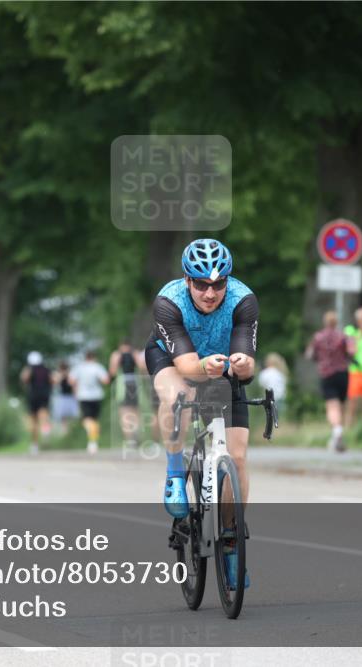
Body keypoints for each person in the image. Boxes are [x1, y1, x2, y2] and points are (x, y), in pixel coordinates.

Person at [145, 238, 258, 590]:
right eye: (201, 284)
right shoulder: (169, 302)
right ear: (186, 280)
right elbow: (188, 367)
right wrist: (205, 368)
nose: (210, 293)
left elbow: (247, 364)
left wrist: (243, 365)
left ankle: (231, 541)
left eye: (218, 284)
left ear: (228, 280)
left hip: (220, 365)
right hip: (175, 360)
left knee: (238, 457)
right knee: (179, 394)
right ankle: (175, 474)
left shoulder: (243, 300)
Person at [306, 311, 355, 452]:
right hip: (343, 373)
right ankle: (337, 436)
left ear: (325, 322)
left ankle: (337, 431)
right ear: (336, 322)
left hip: (327, 374)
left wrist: (321, 358)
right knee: (341, 406)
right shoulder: (343, 336)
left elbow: (310, 354)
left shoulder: (318, 337)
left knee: (332, 407)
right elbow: (352, 352)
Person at [70, 351, 110, 454]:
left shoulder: (79, 368)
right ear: (94, 357)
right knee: (94, 419)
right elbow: (106, 380)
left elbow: (71, 381)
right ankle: (93, 441)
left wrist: (77, 387)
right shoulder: (98, 367)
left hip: (83, 396)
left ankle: (92, 441)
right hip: (97, 395)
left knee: (87, 420)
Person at [109, 340, 144, 451]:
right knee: (135, 411)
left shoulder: (117, 355)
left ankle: (130, 439)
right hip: (135, 382)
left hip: (122, 384)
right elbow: (142, 368)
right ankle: (136, 431)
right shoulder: (135, 353)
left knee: (124, 413)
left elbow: (112, 372)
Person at [20, 351, 52, 455]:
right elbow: (53, 380)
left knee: (33, 421)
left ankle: (34, 444)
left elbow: (24, 379)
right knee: (44, 414)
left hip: (33, 395)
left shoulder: (29, 369)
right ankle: (45, 429)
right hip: (44, 395)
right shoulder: (46, 369)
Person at [51, 361, 79, 435]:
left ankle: (72, 429)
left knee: (72, 415)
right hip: (62, 396)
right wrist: (61, 376)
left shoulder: (71, 374)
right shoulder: (57, 374)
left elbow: (74, 384)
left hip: (70, 396)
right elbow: (54, 382)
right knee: (63, 415)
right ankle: (65, 430)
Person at [258, 353, 288, 420]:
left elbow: (261, 386)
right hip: (281, 397)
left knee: (269, 418)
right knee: (281, 417)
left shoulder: (264, 373)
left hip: (269, 398)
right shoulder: (280, 373)